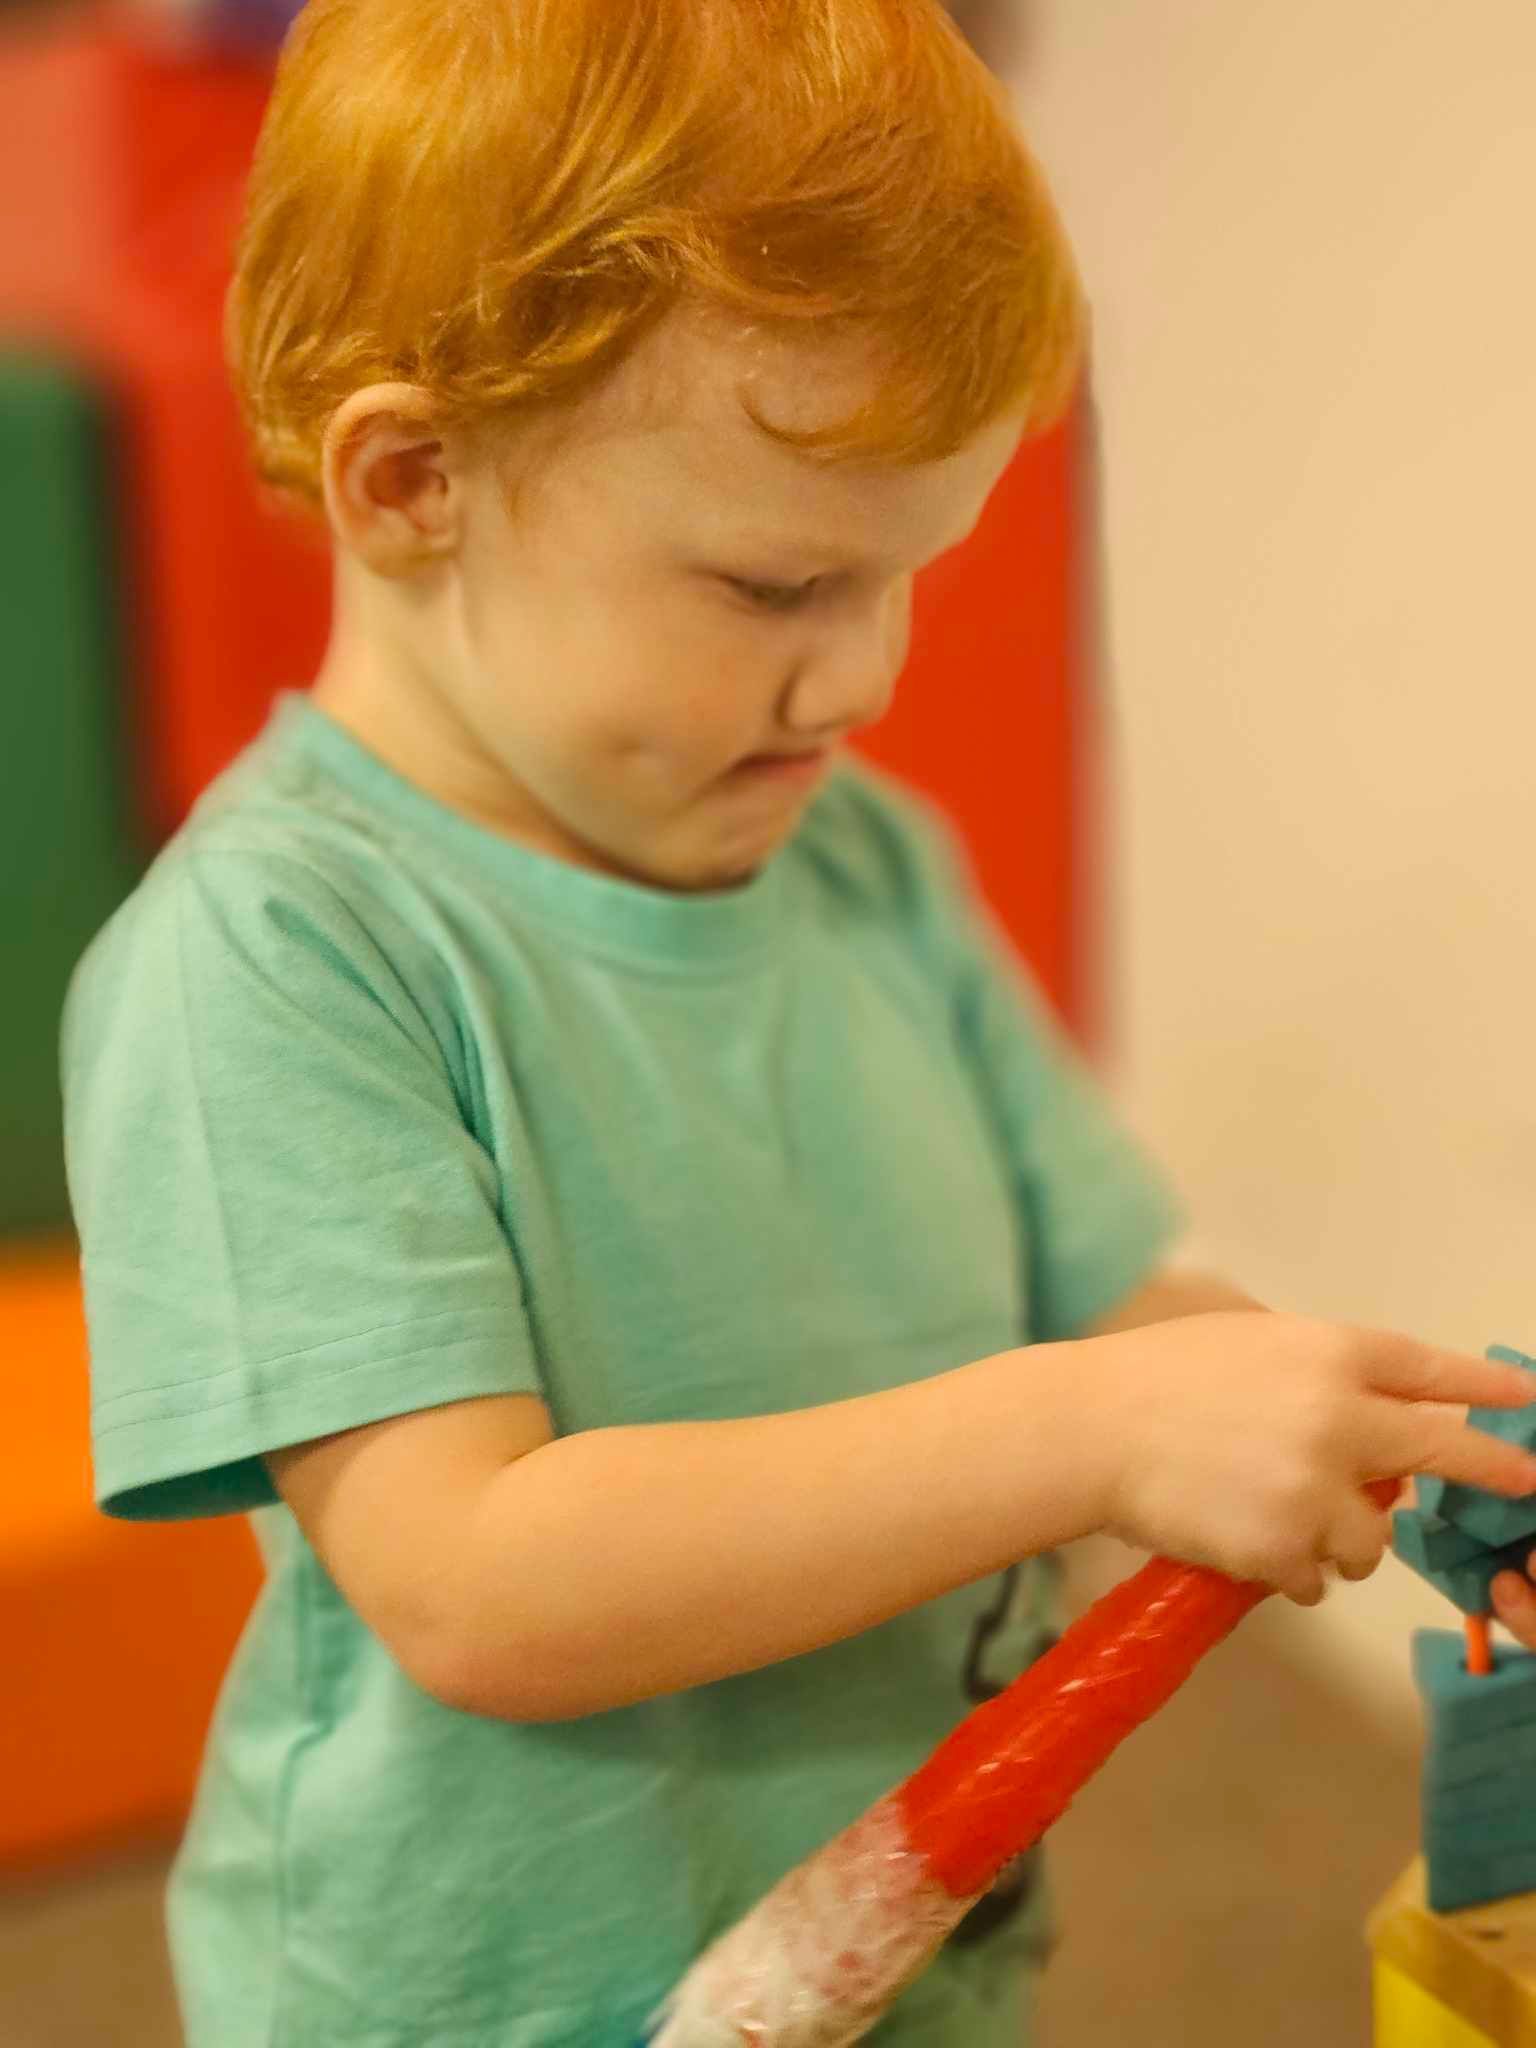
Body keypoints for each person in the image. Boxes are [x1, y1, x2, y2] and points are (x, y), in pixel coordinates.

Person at [60, 2, 1536, 2043]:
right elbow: (473, 1580)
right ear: (414, 483)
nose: (864, 676)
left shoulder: (876, 871)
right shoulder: (277, 961)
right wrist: (1089, 1432)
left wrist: (1368, 1415)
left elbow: (1119, 1311)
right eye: (777, 587)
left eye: (911, 571)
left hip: (907, 1944)